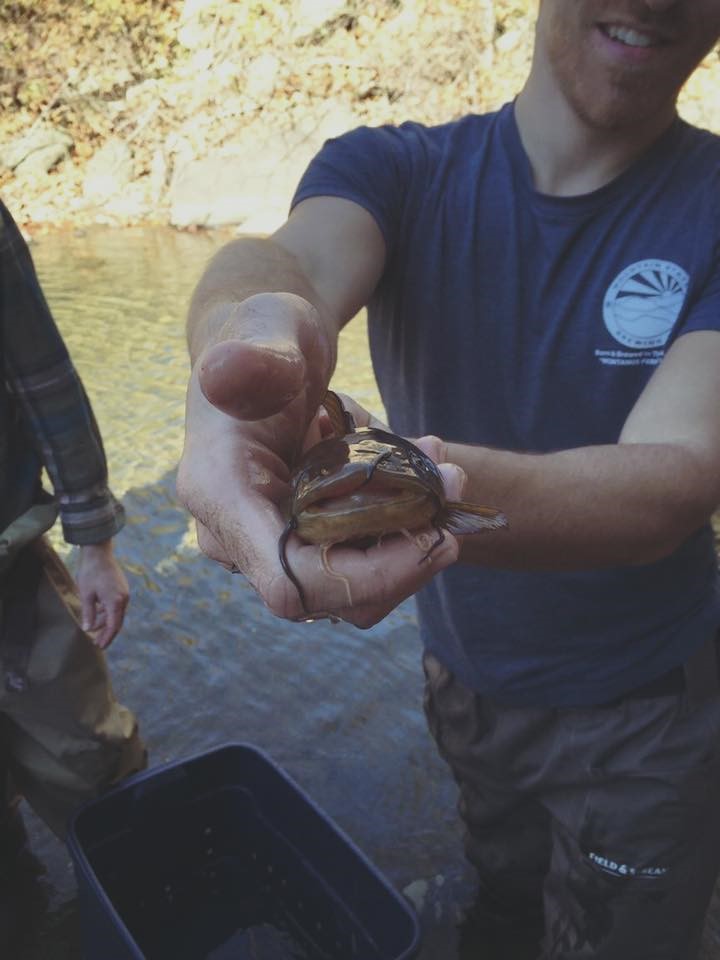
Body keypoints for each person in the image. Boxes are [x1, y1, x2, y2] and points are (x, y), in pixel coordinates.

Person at [177, 1, 720, 956]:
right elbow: (289, 258)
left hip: (649, 710)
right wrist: (244, 324)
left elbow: (673, 482)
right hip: (463, 675)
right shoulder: (394, 168)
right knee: (500, 900)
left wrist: (437, 485)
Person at [0, 201, 146, 951]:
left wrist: (94, 541)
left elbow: (41, 374)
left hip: (11, 570)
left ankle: (139, 903)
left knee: (92, 761)